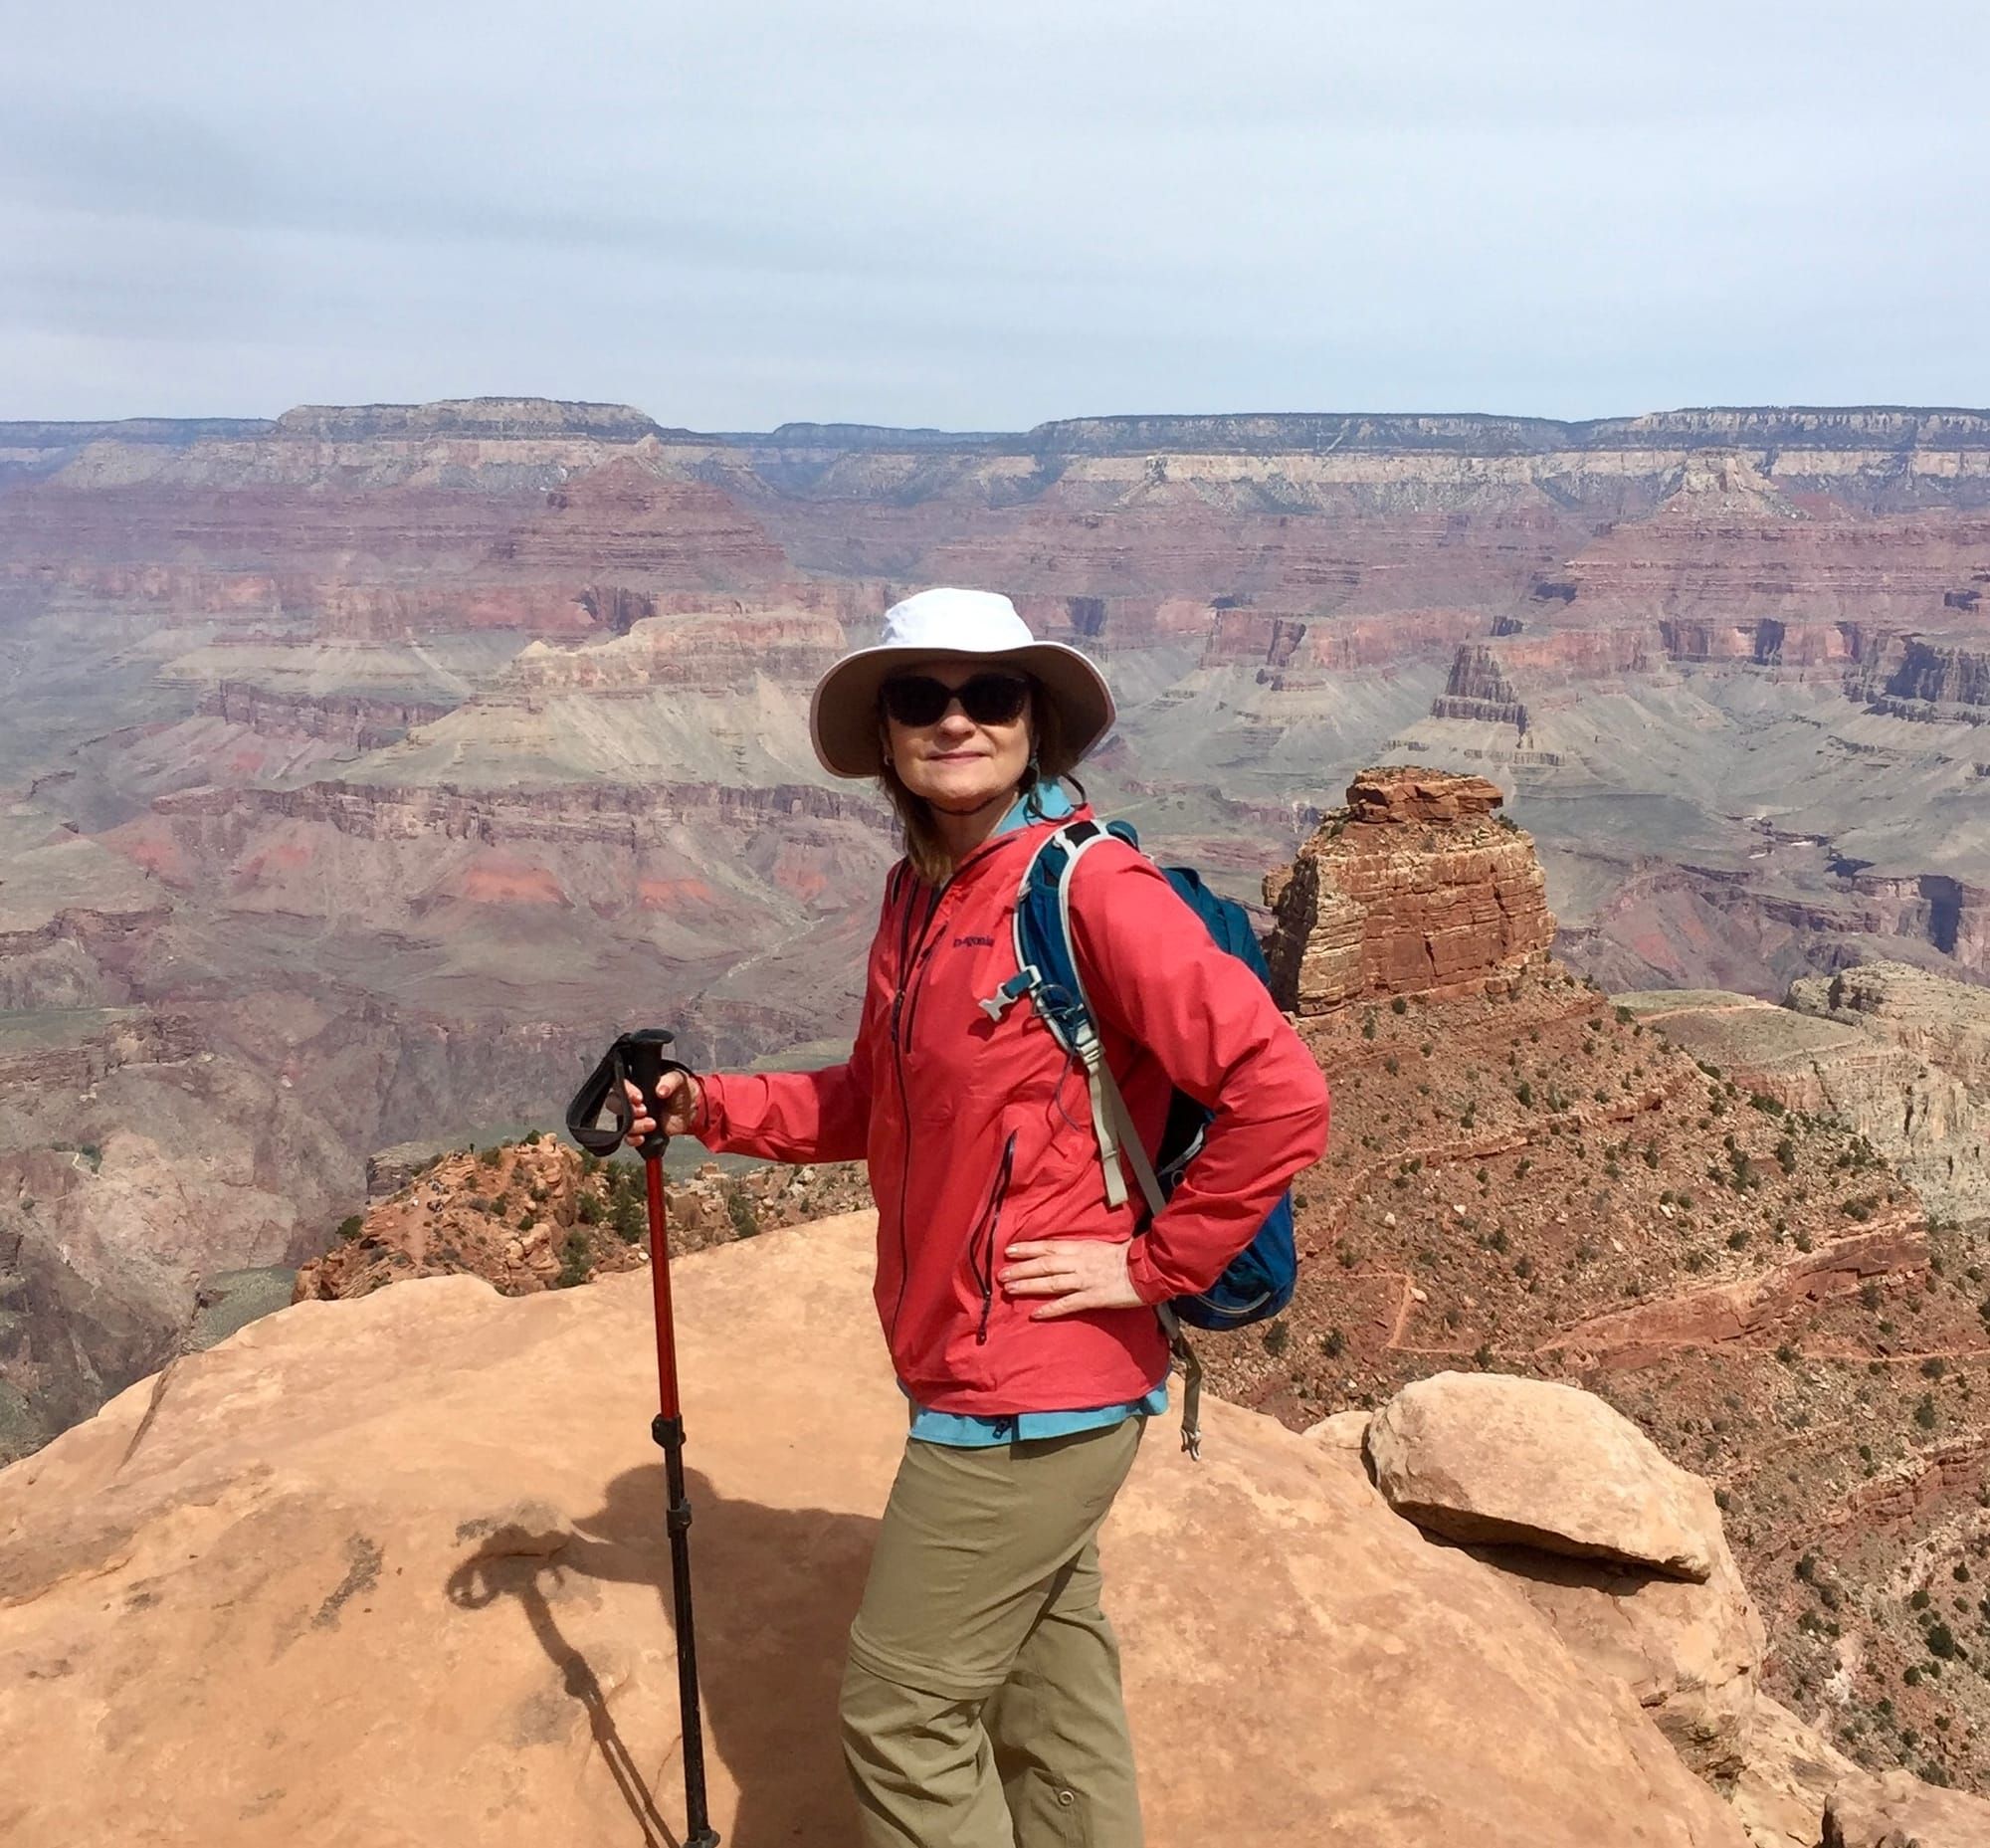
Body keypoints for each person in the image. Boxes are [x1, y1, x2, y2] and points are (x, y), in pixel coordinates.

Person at [622, 585, 1330, 1847]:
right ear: (886, 735)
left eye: (988, 694)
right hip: (961, 1354)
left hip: (1032, 1383)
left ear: (1034, 721)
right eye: (920, 698)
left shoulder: (1089, 891)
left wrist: (1153, 1266)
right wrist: (705, 1107)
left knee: (900, 1716)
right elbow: (884, 1104)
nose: (955, 720)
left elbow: (1278, 1092)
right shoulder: (921, 893)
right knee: (1052, 1698)